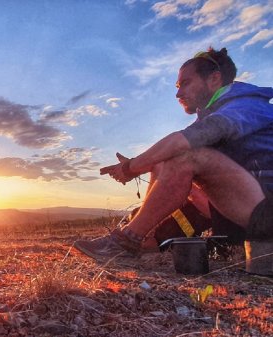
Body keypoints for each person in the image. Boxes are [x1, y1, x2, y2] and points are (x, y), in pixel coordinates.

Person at [74, 47, 273, 263]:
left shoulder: (245, 105)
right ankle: (147, 239)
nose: (178, 93)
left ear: (214, 79)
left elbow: (181, 143)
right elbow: (171, 153)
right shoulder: (217, 111)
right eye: (178, 86)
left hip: (266, 212)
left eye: (185, 83)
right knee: (165, 161)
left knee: (185, 157)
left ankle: (124, 242)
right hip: (250, 209)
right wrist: (147, 165)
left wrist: (131, 168)